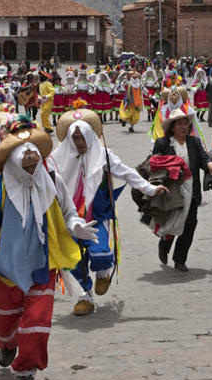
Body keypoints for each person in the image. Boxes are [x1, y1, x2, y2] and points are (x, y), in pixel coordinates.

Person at [0, 117, 98, 380]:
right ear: (12, 160)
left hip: (41, 268)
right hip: (5, 270)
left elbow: (68, 211)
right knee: (3, 322)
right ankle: (7, 345)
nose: (33, 165)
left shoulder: (51, 179)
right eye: (27, 161)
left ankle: (26, 371)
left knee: (36, 325)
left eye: (35, 160)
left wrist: (76, 225)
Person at [50, 108, 165, 315]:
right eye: (74, 138)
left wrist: (150, 188)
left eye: (82, 137)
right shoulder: (57, 158)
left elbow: (128, 173)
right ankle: (84, 296)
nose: (79, 142)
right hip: (68, 216)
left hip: (96, 213)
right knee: (72, 258)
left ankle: (103, 272)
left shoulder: (103, 155)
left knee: (100, 249)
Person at [153, 108, 212, 271]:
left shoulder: (194, 142)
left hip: (191, 191)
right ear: (172, 127)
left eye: (186, 123)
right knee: (172, 223)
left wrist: (209, 164)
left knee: (190, 224)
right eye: (180, 124)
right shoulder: (163, 143)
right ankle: (164, 245)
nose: (184, 127)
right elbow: (155, 165)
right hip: (171, 191)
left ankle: (180, 259)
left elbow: (203, 158)